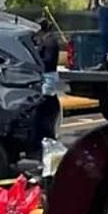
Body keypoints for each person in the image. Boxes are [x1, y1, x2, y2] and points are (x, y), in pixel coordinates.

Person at [33, 17, 61, 147]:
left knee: (46, 104)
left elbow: (48, 60)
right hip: (47, 76)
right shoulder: (44, 40)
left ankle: (47, 133)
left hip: (48, 76)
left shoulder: (49, 42)